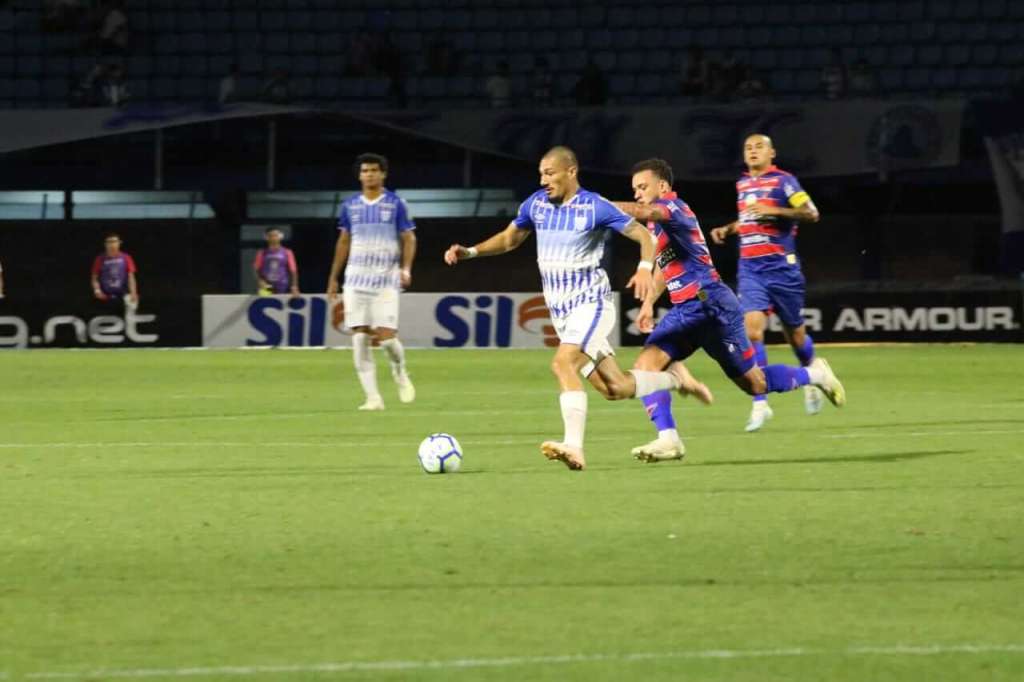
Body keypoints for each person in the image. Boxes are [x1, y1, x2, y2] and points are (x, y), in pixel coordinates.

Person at [444, 146, 706, 471]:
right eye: (541, 173)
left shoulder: (593, 206)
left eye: (550, 173)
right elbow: (510, 239)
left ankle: (574, 446)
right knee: (615, 388)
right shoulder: (536, 204)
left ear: (571, 172)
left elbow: (644, 236)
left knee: (562, 363)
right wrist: (469, 251)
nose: (543, 180)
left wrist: (642, 267)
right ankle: (675, 380)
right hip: (562, 315)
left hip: (591, 306)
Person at [616, 158, 845, 460]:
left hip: (711, 305)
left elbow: (645, 211)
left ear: (663, 186)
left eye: (642, 187)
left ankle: (815, 374)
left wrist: (596, 204)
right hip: (687, 310)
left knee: (755, 383)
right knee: (647, 366)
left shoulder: (674, 208)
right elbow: (664, 265)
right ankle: (668, 439)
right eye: (634, 189)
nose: (638, 194)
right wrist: (648, 302)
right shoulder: (657, 225)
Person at [709, 134, 828, 432]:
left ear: (772, 152)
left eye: (758, 146)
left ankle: (812, 375)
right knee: (751, 331)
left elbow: (811, 213)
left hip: (782, 271)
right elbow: (750, 219)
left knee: (796, 335)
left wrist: (776, 211)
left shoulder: (784, 182)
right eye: (747, 147)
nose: (752, 151)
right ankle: (760, 403)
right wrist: (729, 228)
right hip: (751, 270)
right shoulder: (743, 184)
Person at [327, 153, 417, 410]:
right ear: (359, 175)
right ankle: (373, 398)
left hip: (386, 280)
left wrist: (406, 268)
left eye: (374, 170)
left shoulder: (396, 203)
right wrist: (333, 277)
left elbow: (409, 238)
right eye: (365, 171)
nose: (369, 174)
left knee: (387, 339)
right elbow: (343, 241)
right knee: (359, 337)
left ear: (383, 174)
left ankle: (399, 371)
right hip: (355, 279)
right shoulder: (349, 206)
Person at [90, 233, 138, 308]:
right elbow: (94, 278)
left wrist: (133, 292)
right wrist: (97, 291)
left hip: (123, 296)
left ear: (119, 243)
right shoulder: (99, 259)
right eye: (109, 242)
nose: (112, 244)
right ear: (105, 244)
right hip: (105, 297)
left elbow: (131, 277)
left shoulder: (126, 258)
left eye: (114, 241)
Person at [253, 226, 299, 296]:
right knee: (265, 301)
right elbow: (256, 269)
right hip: (266, 285)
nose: (273, 238)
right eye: (270, 236)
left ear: (280, 236)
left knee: (283, 304)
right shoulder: (262, 253)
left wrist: (294, 286)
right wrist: (260, 281)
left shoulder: (287, 252)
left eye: (275, 235)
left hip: (283, 285)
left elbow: (293, 270)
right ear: (267, 238)